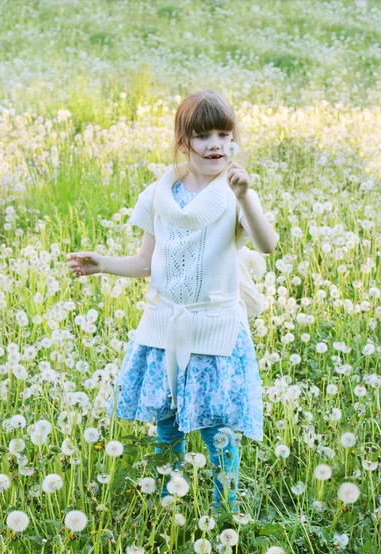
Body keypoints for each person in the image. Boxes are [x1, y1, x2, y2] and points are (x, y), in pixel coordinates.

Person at [66, 89, 278, 513]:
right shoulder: (159, 194)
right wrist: (102, 263)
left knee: (218, 432)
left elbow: (266, 243)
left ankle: (223, 512)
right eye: (203, 136)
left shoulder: (233, 193)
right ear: (184, 141)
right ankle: (169, 506)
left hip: (214, 326)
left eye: (223, 134)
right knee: (167, 425)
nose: (214, 144)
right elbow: (147, 262)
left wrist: (246, 195)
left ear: (233, 140)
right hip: (164, 323)